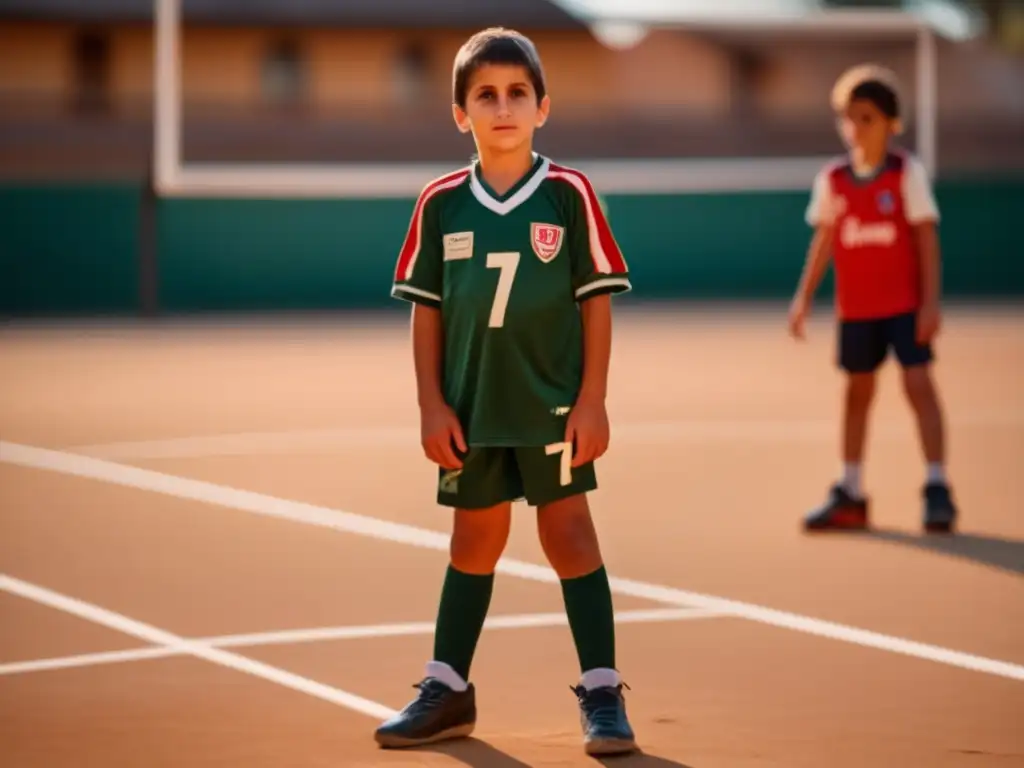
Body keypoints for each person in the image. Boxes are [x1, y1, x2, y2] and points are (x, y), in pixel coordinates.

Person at [373, 27, 637, 756]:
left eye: (517, 93)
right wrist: (430, 403)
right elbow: (426, 310)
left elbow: (596, 300)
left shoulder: (568, 194)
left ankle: (604, 689)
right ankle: (448, 688)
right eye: (485, 95)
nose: (502, 107)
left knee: (570, 536)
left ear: (542, 106)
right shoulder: (440, 203)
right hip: (471, 407)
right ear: (460, 113)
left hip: (550, 402)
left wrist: (593, 399)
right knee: (474, 541)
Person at [788, 63, 958, 534]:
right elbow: (823, 241)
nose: (855, 128)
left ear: (890, 123)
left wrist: (930, 303)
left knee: (919, 386)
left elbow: (926, 240)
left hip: (903, 305)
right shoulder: (834, 179)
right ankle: (852, 491)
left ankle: (937, 486)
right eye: (849, 117)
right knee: (856, 394)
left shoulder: (906, 173)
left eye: (866, 118)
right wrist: (803, 298)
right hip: (857, 310)